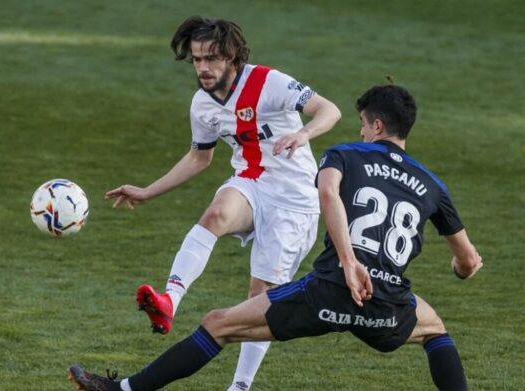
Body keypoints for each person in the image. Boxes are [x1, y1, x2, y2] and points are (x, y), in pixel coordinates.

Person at [72, 84, 483, 391]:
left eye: (362, 125)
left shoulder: (345, 154)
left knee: (218, 324)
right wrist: (458, 268)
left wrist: (348, 261)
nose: (360, 133)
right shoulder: (433, 185)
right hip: (387, 304)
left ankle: (123, 389)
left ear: (376, 126)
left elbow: (325, 192)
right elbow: (469, 262)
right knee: (434, 332)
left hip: (329, 291)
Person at [104, 16, 341, 391]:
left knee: (259, 300)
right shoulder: (202, 104)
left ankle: (240, 386)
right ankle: (170, 301)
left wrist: (303, 132)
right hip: (251, 183)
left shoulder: (269, 81)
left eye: (211, 59)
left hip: (295, 202)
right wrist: (149, 191)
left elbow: (330, 110)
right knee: (215, 214)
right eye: (197, 60)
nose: (203, 68)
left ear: (232, 56)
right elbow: (200, 157)